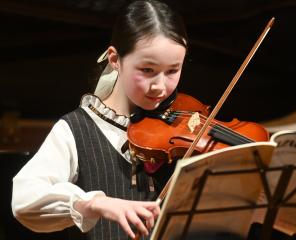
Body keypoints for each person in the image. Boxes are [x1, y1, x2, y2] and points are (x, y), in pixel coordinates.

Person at [11, 0, 188, 240]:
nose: (159, 86)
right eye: (147, 70)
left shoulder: (182, 127)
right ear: (115, 59)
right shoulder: (74, 129)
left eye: (172, 71)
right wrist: (93, 203)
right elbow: (25, 200)